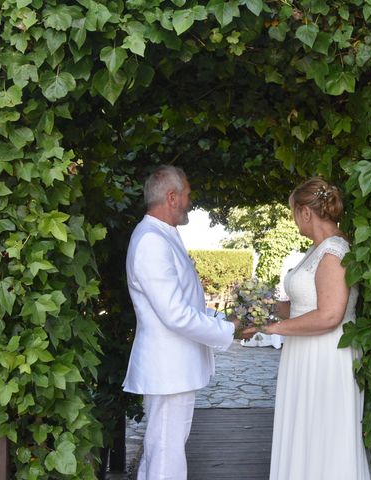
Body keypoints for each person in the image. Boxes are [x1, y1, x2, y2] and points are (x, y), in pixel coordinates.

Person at [244, 177, 371, 480]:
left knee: (325, 434)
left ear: (305, 212)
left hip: (326, 356)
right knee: (306, 430)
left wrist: (275, 328)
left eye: (293, 212)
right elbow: (305, 306)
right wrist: (260, 310)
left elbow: (329, 315)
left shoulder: (334, 252)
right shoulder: (319, 249)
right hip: (306, 352)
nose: (294, 220)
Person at [122, 165, 240, 480]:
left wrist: (225, 319)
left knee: (162, 449)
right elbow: (175, 313)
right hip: (168, 367)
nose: (190, 202)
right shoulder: (151, 240)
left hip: (174, 367)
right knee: (166, 454)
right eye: (187, 195)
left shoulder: (163, 235)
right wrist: (228, 329)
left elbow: (187, 304)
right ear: (172, 197)